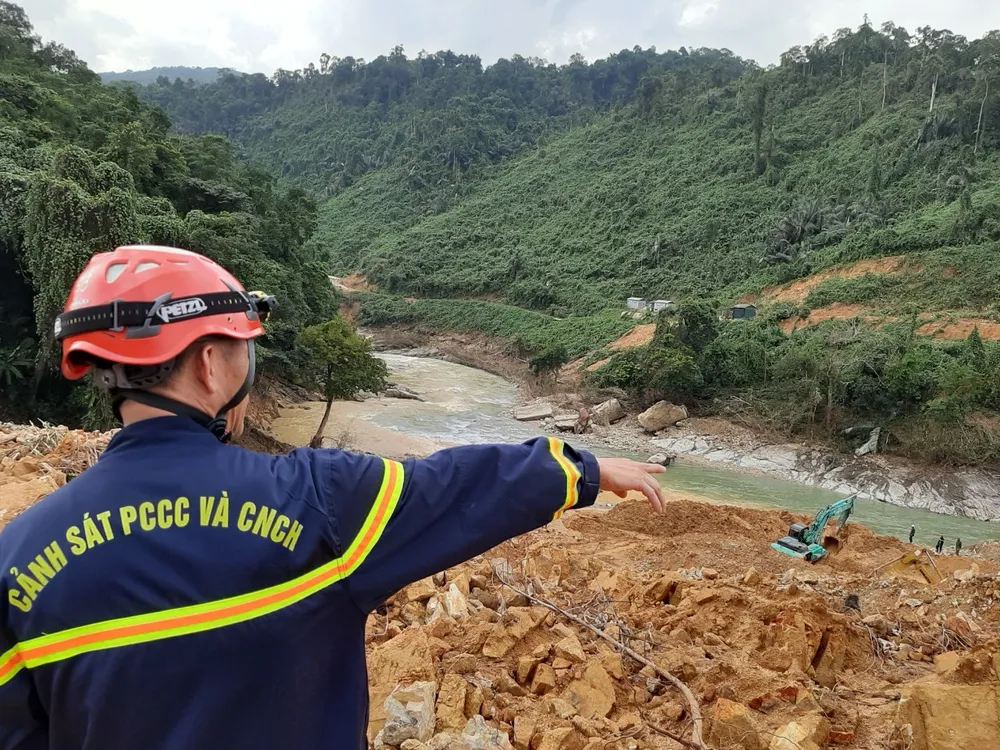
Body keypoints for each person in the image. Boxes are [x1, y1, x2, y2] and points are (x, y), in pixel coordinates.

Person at [0, 246, 667, 750]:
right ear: (207, 364)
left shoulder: (17, 561)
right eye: (240, 350)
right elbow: (458, 486)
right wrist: (584, 470)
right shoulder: (317, 501)